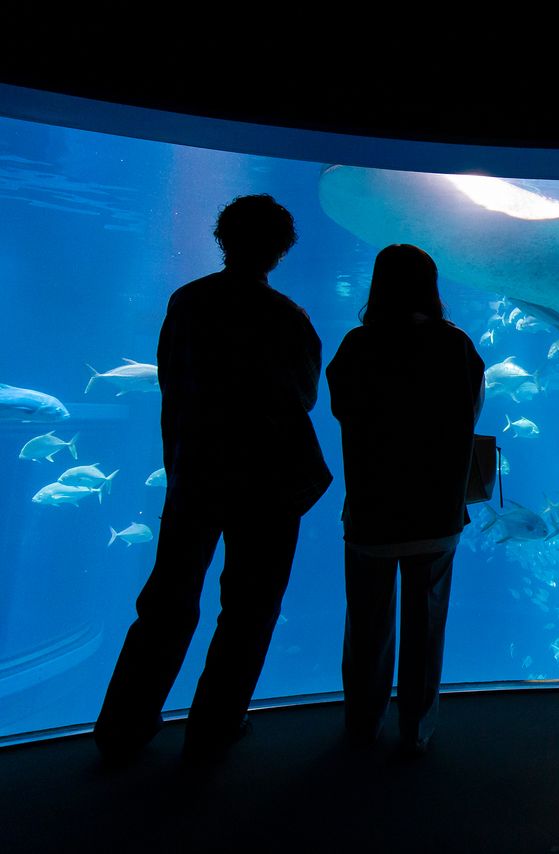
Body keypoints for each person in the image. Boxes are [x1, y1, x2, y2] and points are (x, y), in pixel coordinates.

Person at [94, 194, 332, 764]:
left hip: (194, 474)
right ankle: (215, 727)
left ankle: (123, 728)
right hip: (268, 485)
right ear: (282, 249)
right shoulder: (288, 318)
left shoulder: (188, 302)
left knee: (166, 603)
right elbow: (304, 395)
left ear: (222, 238)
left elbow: (169, 381)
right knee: (250, 608)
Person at [325, 244, 484, 756]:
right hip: (436, 513)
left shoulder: (357, 344)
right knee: (426, 625)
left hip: (372, 512)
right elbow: (470, 412)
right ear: (431, 288)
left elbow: (341, 408)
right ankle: (416, 730)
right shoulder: (457, 345)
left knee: (367, 628)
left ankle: (362, 727)